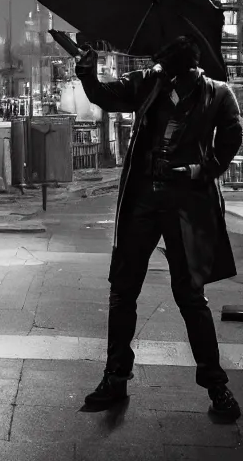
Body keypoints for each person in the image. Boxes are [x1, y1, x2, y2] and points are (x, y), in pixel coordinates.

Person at [75, 35, 240, 421]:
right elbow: (106, 95)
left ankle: (217, 385)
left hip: (187, 203)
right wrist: (87, 72)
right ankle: (115, 377)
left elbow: (233, 136)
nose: (160, 71)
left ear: (187, 69)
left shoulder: (217, 94)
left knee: (191, 296)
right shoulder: (149, 83)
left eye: (168, 67)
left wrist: (203, 169)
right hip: (143, 200)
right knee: (123, 289)